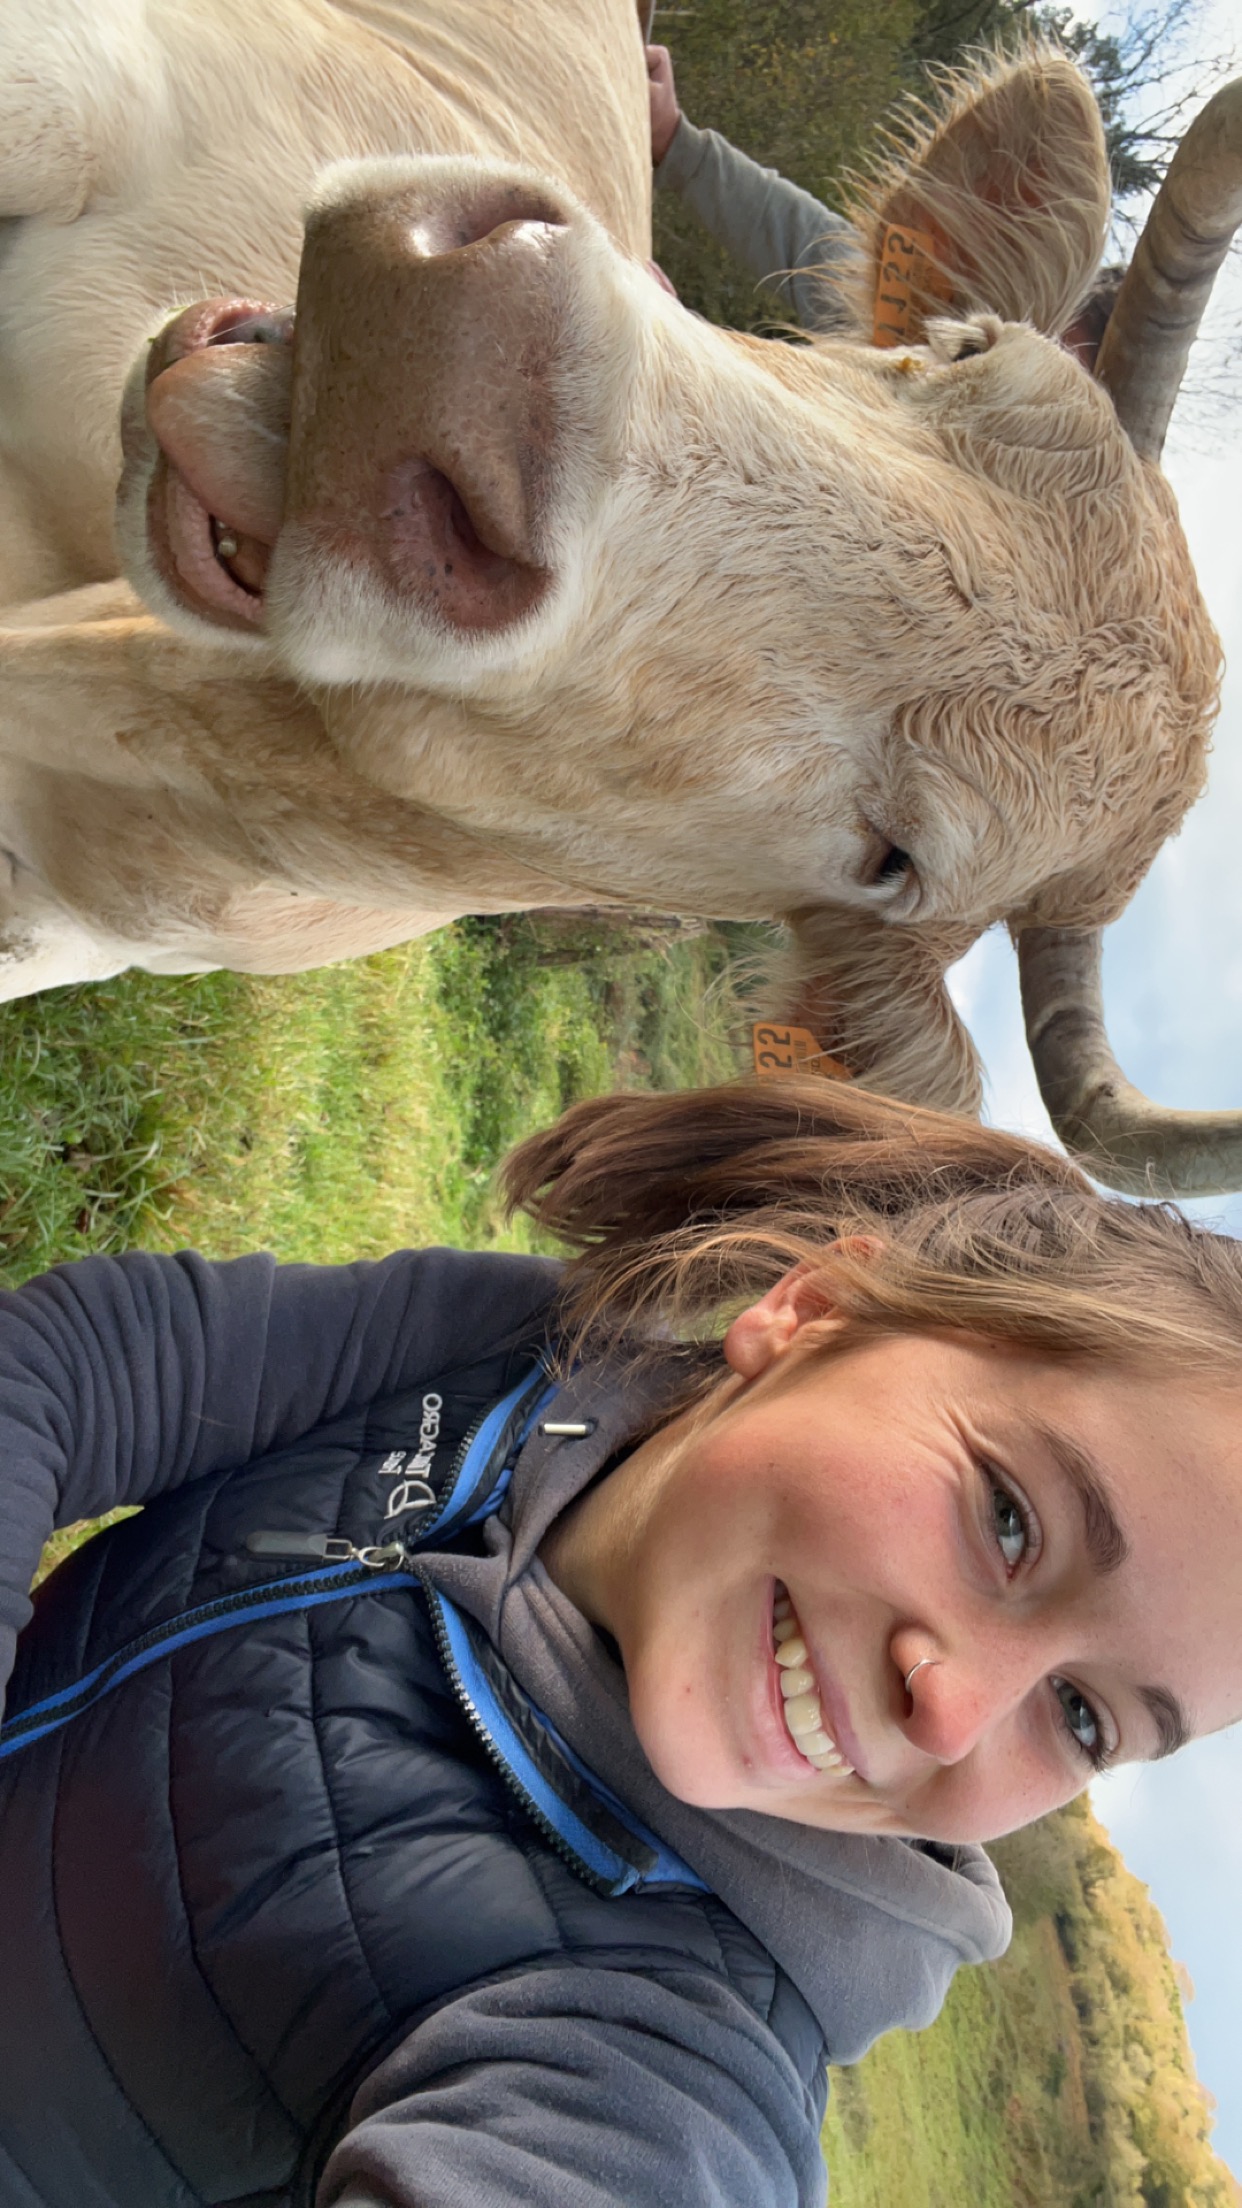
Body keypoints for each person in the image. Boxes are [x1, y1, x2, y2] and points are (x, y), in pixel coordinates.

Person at [2, 1075, 1241, 2206]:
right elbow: (71, 1365)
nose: (953, 1712)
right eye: (1012, 1519)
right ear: (810, 1313)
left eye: (1084, 1717)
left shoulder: (667, 2045)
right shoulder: (521, 1364)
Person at [647, 42, 1124, 365]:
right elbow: (807, 245)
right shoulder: (923, 339)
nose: (1027, 382)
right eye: (1026, 345)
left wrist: (683, 361)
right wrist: (676, 142)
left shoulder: (1022, 505)